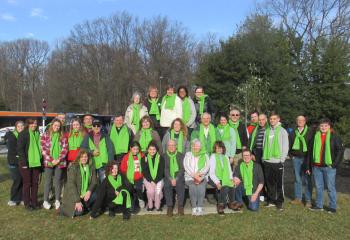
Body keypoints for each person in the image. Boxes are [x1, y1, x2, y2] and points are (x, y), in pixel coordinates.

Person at [308, 118, 343, 213]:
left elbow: (340, 151)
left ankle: (332, 207)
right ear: (319, 127)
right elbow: (311, 152)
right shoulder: (316, 136)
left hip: (329, 167)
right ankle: (319, 205)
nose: (323, 127)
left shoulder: (334, 137)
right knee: (319, 187)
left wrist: (334, 164)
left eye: (325, 126)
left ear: (329, 126)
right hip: (317, 166)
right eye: (322, 125)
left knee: (330, 187)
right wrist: (310, 165)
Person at [262, 112, 289, 210]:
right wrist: (264, 158)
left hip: (278, 162)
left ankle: (279, 201)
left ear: (278, 119)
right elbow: (264, 144)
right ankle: (271, 200)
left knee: (278, 183)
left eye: (274, 119)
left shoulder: (283, 131)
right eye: (271, 119)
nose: (272, 120)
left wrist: (282, 160)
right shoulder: (267, 131)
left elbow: (285, 146)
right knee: (269, 182)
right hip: (268, 161)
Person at [60, 149, 97, 218]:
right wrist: (77, 201)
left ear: (88, 157)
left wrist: (89, 191)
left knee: (96, 195)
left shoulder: (91, 167)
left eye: (85, 156)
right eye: (82, 157)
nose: (84, 158)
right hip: (74, 195)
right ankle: (63, 208)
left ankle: (85, 206)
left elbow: (94, 182)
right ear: (79, 158)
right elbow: (71, 185)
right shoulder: (74, 167)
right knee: (79, 212)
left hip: (85, 194)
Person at [41, 118, 68, 210]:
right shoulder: (45, 135)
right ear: (52, 125)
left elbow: (65, 149)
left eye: (59, 126)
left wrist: (58, 159)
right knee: (48, 182)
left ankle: (57, 200)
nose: (57, 127)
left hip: (60, 162)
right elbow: (43, 149)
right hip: (49, 162)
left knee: (58, 182)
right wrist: (52, 160)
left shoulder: (63, 136)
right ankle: (45, 200)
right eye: (55, 125)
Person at [17, 118, 42, 210]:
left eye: (35, 123)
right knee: (27, 184)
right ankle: (27, 203)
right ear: (28, 124)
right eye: (32, 123)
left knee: (35, 183)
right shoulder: (23, 134)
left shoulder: (37, 133)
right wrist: (24, 163)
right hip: (26, 163)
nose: (34, 125)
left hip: (36, 162)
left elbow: (39, 148)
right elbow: (20, 149)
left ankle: (34, 202)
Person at [289, 115, 313, 208]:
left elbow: (312, 146)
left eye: (302, 120)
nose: (300, 121)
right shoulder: (292, 132)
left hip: (307, 159)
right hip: (296, 159)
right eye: (298, 120)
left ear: (305, 121)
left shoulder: (310, 132)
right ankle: (298, 198)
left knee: (307, 179)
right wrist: (291, 156)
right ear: (296, 121)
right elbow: (289, 145)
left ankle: (308, 200)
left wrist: (310, 158)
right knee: (297, 179)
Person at [208, 141, 235, 215]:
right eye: (217, 148)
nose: (219, 149)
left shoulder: (225, 157)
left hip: (224, 177)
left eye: (220, 148)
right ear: (215, 149)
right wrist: (217, 182)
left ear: (223, 149)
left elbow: (229, 170)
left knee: (231, 184)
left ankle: (231, 203)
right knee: (223, 186)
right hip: (213, 177)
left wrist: (231, 178)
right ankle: (221, 205)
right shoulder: (213, 156)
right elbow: (211, 173)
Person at [184, 139, 210, 216]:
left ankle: (200, 206)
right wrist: (194, 175)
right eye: (194, 146)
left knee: (201, 187)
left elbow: (207, 166)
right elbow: (186, 165)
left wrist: (200, 175)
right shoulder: (188, 154)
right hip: (190, 177)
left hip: (202, 177)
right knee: (193, 187)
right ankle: (194, 207)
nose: (196, 147)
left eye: (198, 146)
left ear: (201, 147)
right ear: (192, 146)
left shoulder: (205, 155)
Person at [120, 141, 145, 212]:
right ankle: (131, 202)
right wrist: (126, 178)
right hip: (129, 177)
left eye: (137, 149)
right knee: (129, 189)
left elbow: (145, 167)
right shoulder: (126, 157)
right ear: (130, 148)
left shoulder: (142, 156)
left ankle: (140, 199)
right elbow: (123, 169)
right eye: (134, 149)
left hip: (139, 176)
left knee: (139, 188)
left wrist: (143, 177)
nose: (136, 151)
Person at [164, 140, 185, 216]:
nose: (171, 147)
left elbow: (182, 168)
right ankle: (169, 206)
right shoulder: (164, 156)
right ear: (167, 146)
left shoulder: (181, 155)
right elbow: (165, 169)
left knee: (180, 185)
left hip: (178, 175)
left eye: (173, 145)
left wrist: (176, 178)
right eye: (169, 145)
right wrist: (170, 178)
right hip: (168, 175)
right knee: (167, 185)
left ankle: (180, 206)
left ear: (176, 146)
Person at [5, 120, 24, 206]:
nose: (20, 127)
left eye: (22, 126)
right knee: (17, 180)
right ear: (16, 127)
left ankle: (22, 198)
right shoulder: (12, 137)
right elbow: (12, 152)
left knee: (22, 180)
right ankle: (13, 199)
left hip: (21, 162)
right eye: (19, 126)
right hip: (14, 162)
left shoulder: (23, 136)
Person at [141, 142, 165, 211]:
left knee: (158, 192)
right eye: (150, 149)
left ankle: (157, 206)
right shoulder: (144, 158)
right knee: (150, 191)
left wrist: (155, 181)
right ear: (147, 150)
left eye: (154, 149)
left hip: (159, 179)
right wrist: (151, 181)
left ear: (156, 150)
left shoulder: (161, 158)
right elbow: (145, 172)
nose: (152, 151)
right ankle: (150, 205)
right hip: (148, 179)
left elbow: (161, 171)